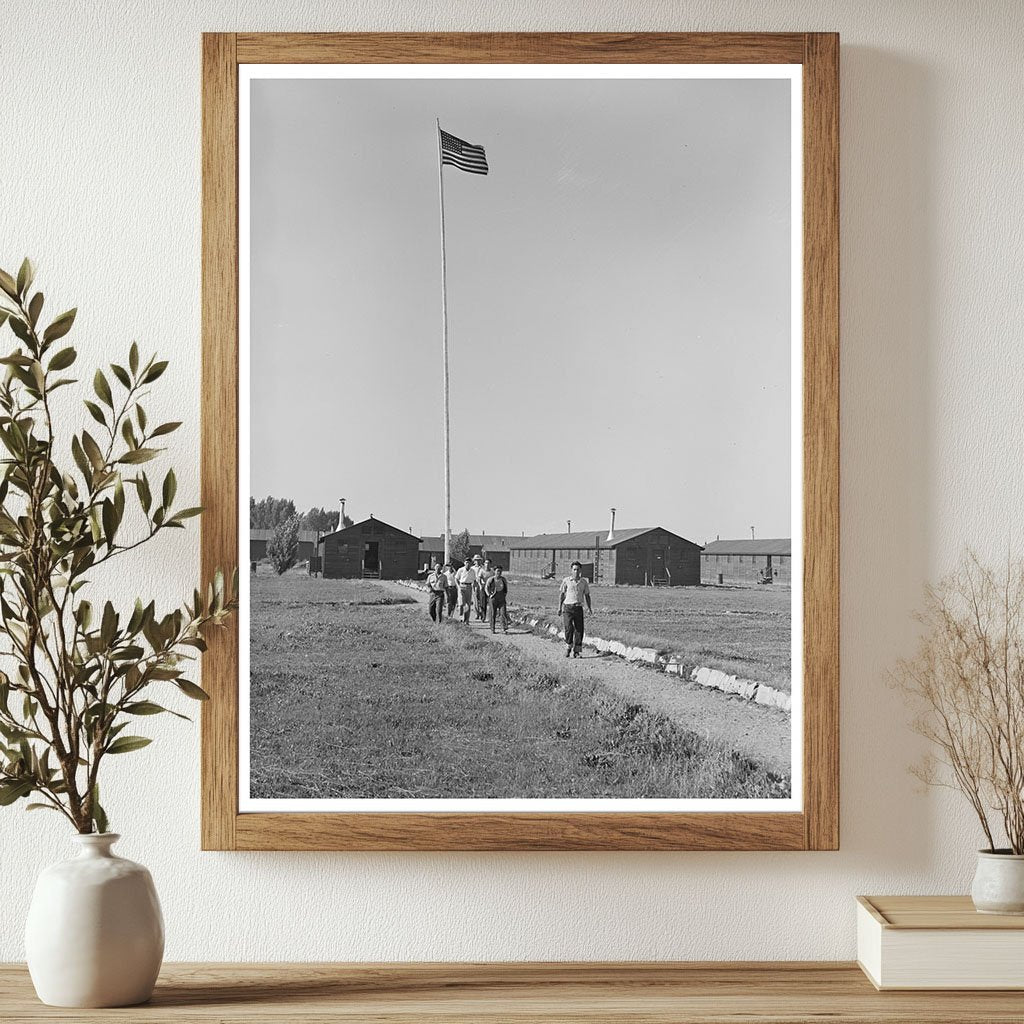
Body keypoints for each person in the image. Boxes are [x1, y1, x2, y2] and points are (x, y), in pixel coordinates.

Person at [558, 560, 592, 658]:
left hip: (578, 608)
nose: (576, 571)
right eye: (574, 569)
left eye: (578, 569)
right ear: (571, 570)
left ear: (580, 570)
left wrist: (589, 608)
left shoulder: (583, 582)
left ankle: (577, 651)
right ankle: (568, 646)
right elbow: (561, 595)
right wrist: (559, 607)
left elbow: (587, 595)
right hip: (568, 607)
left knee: (579, 630)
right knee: (568, 628)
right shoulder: (566, 581)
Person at [486, 565, 510, 634]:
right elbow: (486, 588)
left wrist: (504, 594)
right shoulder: (491, 579)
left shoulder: (503, 579)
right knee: (493, 613)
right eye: (497, 571)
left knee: (503, 613)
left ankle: (503, 628)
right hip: (493, 598)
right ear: (494, 571)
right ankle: (492, 628)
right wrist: (489, 595)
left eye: (500, 571)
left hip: (501, 598)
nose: (499, 572)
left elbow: (506, 588)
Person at [455, 559, 477, 623]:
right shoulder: (461, 570)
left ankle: (466, 620)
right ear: (464, 563)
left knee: (468, 605)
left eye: (469, 563)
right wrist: (458, 586)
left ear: (471, 564)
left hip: (469, 587)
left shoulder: (472, 571)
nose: (468, 564)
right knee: (461, 604)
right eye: (466, 562)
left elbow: (474, 580)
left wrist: (475, 588)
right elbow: (456, 579)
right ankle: (461, 617)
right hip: (461, 586)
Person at [475, 557, 495, 622]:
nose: (487, 564)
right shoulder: (482, 570)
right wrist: (480, 586)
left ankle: (490, 617)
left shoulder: (492, 572)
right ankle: (483, 616)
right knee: (483, 603)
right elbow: (478, 579)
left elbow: (494, 580)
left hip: (490, 588)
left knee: (490, 602)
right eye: (486, 563)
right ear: (484, 564)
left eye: (488, 563)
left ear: (490, 564)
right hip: (483, 587)